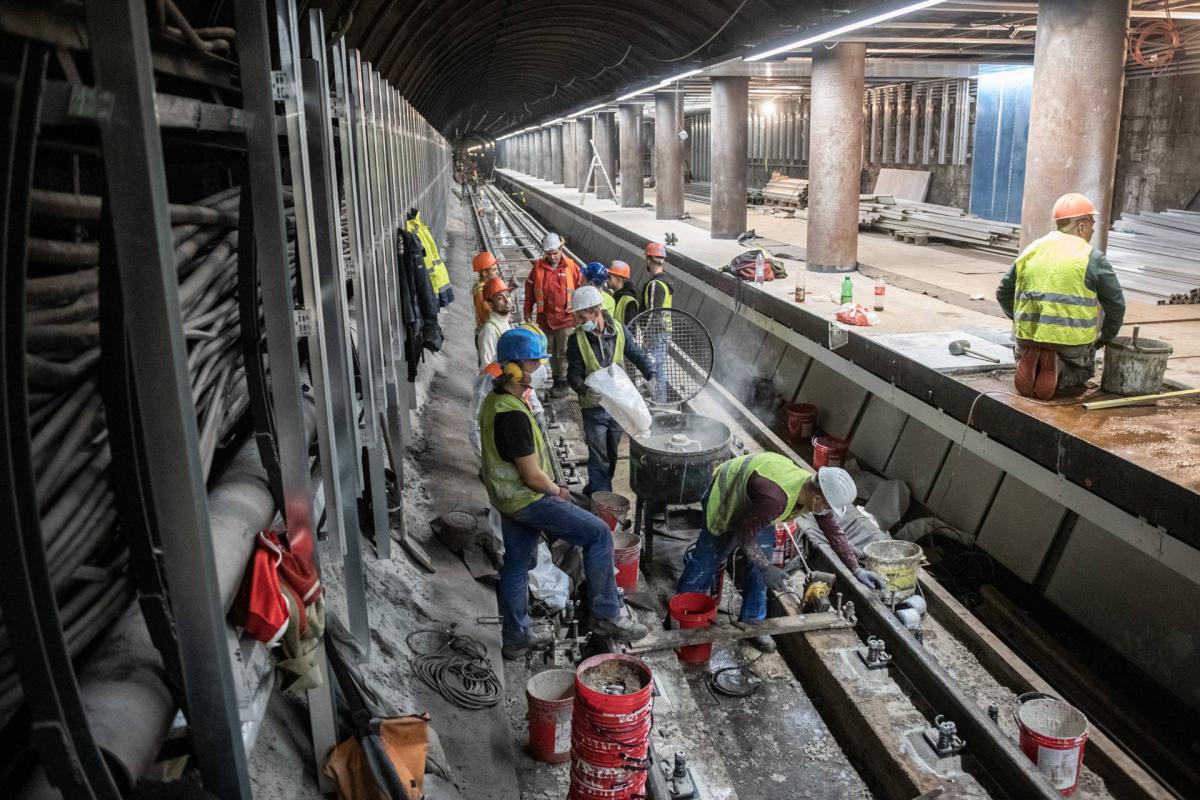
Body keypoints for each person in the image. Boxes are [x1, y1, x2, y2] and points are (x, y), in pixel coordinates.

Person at [479, 329, 648, 658]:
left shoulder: (497, 401)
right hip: (527, 498)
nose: (540, 368)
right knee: (598, 534)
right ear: (512, 367)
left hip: (506, 499)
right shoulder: (512, 414)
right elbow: (530, 476)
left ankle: (514, 640)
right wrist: (559, 491)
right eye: (533, 362)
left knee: (516, 565)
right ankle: (606, 615)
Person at [676, 453, 884, 653]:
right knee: (706, 562)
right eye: (828, 506)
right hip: (728, 494)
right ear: (817, 497)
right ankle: (682, 619)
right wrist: (767, 568)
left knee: (760, 564)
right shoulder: (775, 499)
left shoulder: (811, 493)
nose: (827, 511)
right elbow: (743, 534)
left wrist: (856, 569)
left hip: (757, 509)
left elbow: (834, 532)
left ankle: (753, 623)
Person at [996, 192, 1126, 400]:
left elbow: (1002, 292)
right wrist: (1104, 338)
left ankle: (1028, 360)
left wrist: (1019, 318)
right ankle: (1062, 371)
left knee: (1028, 344)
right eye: (1092, 222)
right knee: (1084, 368)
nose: (1093, 229)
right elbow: (1116, 306)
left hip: (1026, 338)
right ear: (1081, 226)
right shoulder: (1091, 257)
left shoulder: (1032, 249)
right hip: (1069, 344)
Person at [565, 286, 656, 496]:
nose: (579, 322)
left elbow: (636, 354)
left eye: (582, 316)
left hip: (618, 406)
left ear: (596, 311)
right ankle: (602, 503)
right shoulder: (576, 340)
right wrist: (584, 390)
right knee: (599, 458)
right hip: (594, 408)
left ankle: (594, 488)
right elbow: (573, 375)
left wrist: (652, 374)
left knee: (611, 456)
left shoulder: (620, 330)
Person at [523, 232, 582, 397]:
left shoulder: (571, 266)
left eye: (555, 253)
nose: (553, 257)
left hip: (566, 319)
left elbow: (580, 289)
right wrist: (527, 310)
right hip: (545, 320)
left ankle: (564, 383)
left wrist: (581, 315)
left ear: (561, 248)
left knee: (565, 352)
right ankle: (557, 380)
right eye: (549, 254)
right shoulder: (539, 268)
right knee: (550, 352)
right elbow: (530, 290)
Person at [641, 242, 673, 402]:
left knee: (655, 370)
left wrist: (646, 337)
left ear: (648, 259)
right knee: (660, 368)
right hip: (665, 332)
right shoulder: (666, 282)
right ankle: (661, 400)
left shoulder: (655, 285)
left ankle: (659, 402)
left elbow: (653, 314)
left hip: (657, 334)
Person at [475, 277, 512, 368]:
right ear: (490, 304)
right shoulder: (489, 331)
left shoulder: (504, 323)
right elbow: (486, 367)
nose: (507, 301)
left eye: (507, 295)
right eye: (500, 298)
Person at [471, 251, 500, 332]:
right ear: (485, 273)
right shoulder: (481, 292)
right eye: (494, 270)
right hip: (486, 333)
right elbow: (490, 315)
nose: (497, 272)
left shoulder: (480, 284)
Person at [608, 260, 639, 325]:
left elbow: (631, 328)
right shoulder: (616, 295)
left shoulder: (629, 301)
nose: (607, 279)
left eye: (609, 277)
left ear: (618, 279)